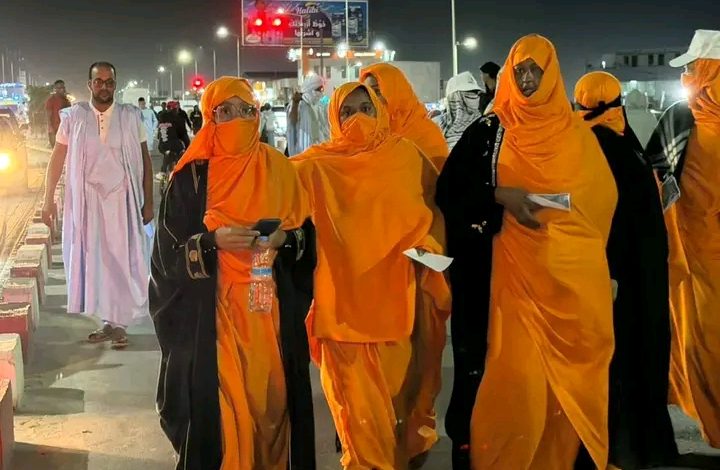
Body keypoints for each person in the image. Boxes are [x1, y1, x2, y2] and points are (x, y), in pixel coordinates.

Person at [445, 35, 616, 469]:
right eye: (518, 70)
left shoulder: (578, 135)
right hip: (507, 282)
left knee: (565, 387)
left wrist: (577, 257)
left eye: (534, 70)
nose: (525, 79)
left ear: (551, 74)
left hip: (569, 283)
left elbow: (599, 207)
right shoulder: (490, 131)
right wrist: (498, 195)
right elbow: (450, 191)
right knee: (514, 380)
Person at [150, 76, 316, 470]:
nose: (237, 119)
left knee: (270, 408)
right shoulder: (191, 177)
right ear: (210, 117)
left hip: (267, 312)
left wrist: (283, 240)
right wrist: (212, 242)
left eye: (246, 110)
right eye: (225, 111)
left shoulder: (279, 167)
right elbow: (166, 257)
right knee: (221, 416)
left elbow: (307, 237)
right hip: (212, 317)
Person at [292, 82, 450, 469]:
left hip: (397, 309)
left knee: (395, 413)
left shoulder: (405, 156)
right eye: (347, 112)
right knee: (359, 424)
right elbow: (273, 188)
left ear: (380, 110)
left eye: (366, 108)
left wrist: (429, 247)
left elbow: (434, 211)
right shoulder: (317, 164)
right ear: (334, 118)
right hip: (343, 315)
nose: (357, 118)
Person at [574, 70, 678, 469]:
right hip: (627, 273)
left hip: (620, 272)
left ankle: (624, 446)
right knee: (629, 356)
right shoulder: (614, 141)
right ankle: (630, 446)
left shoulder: (593, 142)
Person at [41, 62, 153, 349]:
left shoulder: (131, 116)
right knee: (95, 262)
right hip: (87, 202)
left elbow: (145, 160)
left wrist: (149, 201)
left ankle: (120, 324)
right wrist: (48, 198)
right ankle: (107, 322)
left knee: (121, 261)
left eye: (109, 82)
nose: (104, 87)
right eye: (99, 81)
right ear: (90, 85)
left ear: (115, 85)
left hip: (122, 200)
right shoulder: (74, 117)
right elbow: (57, 158)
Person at [645, 28, 720, 449]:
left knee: (707, 340)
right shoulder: (681, 117)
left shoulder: (681, 116)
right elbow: (656, 176)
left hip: (698, 257)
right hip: (691, 254)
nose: (687, 75)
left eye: (693, 67)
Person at [361, 63, 449, 171]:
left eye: (377, 91)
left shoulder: (426, 134)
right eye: (367, 93)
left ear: (396, 91)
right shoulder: (367, 134)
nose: (370, 99)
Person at [433, 71, 484, 150]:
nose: (473, 97)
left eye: (475, 93)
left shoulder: (485, 125)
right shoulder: (435, 125)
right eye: (466, 93)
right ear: (452, 98)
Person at [286, 74, 330, 156]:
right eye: (319, 89)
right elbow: (292, 122)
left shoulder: (320, 105)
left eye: (322, 89)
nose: (321, 92)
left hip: (320, 151)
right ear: (311, 88)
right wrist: (295, 103)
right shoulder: (299, 104)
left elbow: (325, 127)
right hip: (304, 150)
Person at [155, 101, 188, 179]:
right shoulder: (179, 118)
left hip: (164, 144)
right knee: (181, 153)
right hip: (176, 144)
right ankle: (182, 172)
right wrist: (187, 147)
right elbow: (183, 135)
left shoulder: (162, 116)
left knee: (167, 152)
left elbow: (160, 133)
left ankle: (163, 172)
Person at [45, 79, 71, 148]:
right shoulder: (51, 100)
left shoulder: (66, 101)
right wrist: (50, 129)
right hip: (55, 130)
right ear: (55, 89)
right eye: (60, 88)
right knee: (56, 151)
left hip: (65, 130)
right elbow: (48, 115)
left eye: (63, 87)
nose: (62, 89)